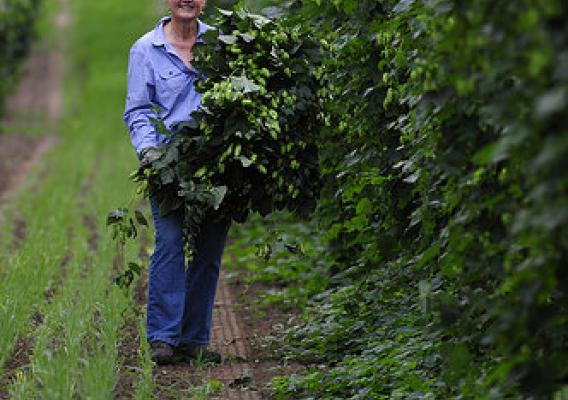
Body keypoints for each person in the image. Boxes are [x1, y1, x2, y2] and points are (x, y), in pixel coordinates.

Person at [123, 0, 228, 365]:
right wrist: (150, 154)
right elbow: (137, 110)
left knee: (209, 247)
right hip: (167, 165)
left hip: (217, 166)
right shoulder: (145, 49)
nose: (187, 0)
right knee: (169, 242)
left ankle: (194, 340)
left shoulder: (223, 43)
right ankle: (163, 338)